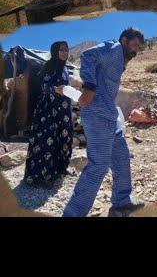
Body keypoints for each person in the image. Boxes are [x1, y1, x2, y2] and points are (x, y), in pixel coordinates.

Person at [62, 28, 145, 217]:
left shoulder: (121, 59)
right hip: (97, 113)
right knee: (99, 164)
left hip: (109, 115)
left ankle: (121, 203)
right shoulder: (114, 47)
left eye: (139, 47)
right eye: (134, 45)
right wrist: (89, 87)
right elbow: (88, 55)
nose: (136, 50)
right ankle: (72, 214)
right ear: (124, 40)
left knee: (121, 157)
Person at [23, 41, 73, 188]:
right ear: (55, 51)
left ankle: (61, 168)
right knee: (46, 141)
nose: (64, 52)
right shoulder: (49, 66)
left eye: (66, 50)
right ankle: (43, 177)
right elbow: (44, 87)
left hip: (63, 111)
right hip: (49, 110)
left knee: (64, 138)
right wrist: (56, 89)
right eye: (61, 50)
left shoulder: (65, 69)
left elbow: (66, 88)